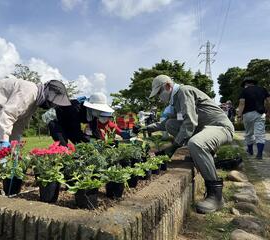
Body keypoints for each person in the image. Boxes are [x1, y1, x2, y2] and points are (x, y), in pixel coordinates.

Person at [149, 74, 234, 214]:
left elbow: (190, 122)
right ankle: (199, 156)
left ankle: (216, 196)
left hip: (220, 128)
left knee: (196, 144)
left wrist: (174, 146)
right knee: (171, 124)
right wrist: (149, 127)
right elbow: (170, 122)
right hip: (205, 129)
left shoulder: (184, 91)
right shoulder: (176, 101)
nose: (159, 97)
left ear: (168, 86)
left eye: (159, 93)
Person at [0, 76, 71, 171]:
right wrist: (4, 141)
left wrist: (14, 148)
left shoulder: (33, 104)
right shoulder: (30, 91)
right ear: (47, 94)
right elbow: (8, 114)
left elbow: (18, 126)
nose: (52, 105)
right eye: (52, 102)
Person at [46, 92, 130, 146]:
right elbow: (75, 132)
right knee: (63, 144)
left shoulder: (92, 114)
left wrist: (102, 142)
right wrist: (89, 143)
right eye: (98, 109)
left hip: (68, 123)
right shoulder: (75, 109)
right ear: (91, 106)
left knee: (85, 142)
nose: (100, 112)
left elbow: (94, 130)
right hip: (55, 120)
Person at [237, 77, 270, 159]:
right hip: (260, 114)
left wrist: (239, 115)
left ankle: (250, 151)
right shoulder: (263, 89)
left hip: (247, 114)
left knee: (249, 133)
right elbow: (269, 101)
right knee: (260, 134)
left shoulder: (244, 91)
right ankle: (259, 154)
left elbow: (242, 103)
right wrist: (268, 111)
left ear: (246, 84)